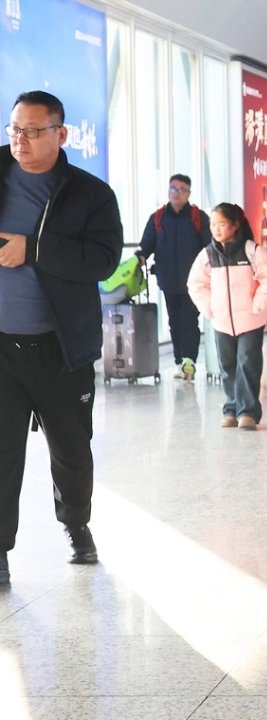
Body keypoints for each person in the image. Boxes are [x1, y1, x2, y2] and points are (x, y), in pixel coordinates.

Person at [0, 90, 123, 583]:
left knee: (72, 450)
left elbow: (103, 260)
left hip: (60, 349)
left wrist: (34, 250)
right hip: (2, 347)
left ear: (61, 134)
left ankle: (76, 525)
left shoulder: (91, 194)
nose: (21, 141)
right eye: (14, 130)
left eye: (32, 131)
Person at [187, 203, 267, 430]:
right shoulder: (208, 254)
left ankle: (248, 411)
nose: (216, 230)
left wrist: (258, 305)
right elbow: (195, 283)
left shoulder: (251, 250)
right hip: (221, 322)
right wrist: (209, 308)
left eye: (222, 225)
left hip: (250, 319)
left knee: (247, 363)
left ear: (235, 225)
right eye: (213, 225)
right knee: (227, 366)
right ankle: (231, 408)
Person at [135, 173, 211, 380]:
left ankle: (189, 361)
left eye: (181, 190)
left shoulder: (198, 217)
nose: (176, 193)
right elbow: (147, 244)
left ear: (189, 193)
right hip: (168, 279)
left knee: (189, 319)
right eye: (173, 189)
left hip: (194, 281)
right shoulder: (158, 218)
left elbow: (210, 247)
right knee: (174, 321)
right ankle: (179, 361)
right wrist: (140, 257)